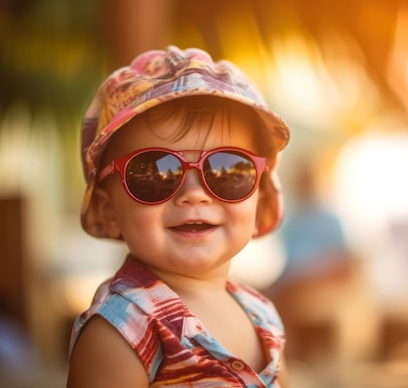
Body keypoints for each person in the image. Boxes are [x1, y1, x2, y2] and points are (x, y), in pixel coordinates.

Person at [66, 46, 291, 387]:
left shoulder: (262, 314)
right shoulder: (123, 331)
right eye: (154, 171)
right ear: (107, 209)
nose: (194, 194)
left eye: (227, 170)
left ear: (260, 199)